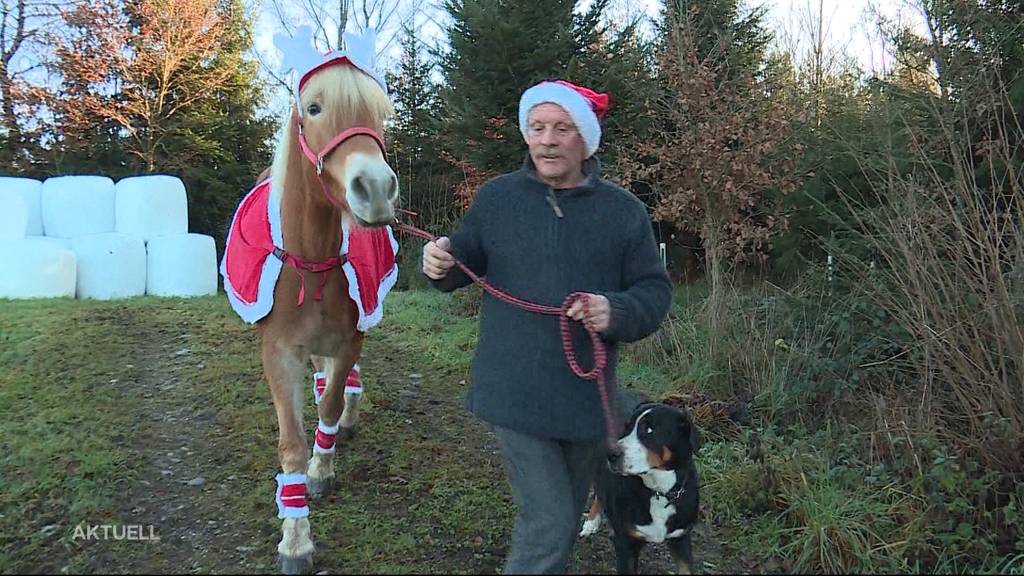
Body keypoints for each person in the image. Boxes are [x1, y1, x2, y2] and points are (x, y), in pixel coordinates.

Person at [421, 79, 673, 574]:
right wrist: (438, 261)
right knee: (551, 523)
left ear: (584, 139)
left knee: (557, 527)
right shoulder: (498, 200)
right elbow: (460, 260)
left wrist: (614, 311)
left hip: (586, 402)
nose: (547, 140)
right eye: (537, 128)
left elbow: (654, 292)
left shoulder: (624, 213)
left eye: (561, 128)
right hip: (513, 393)